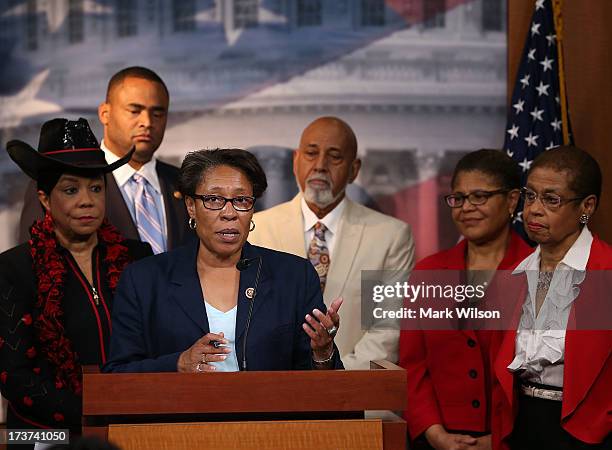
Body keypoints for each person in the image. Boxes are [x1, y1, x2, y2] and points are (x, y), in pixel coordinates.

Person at [104, 149, 343, 373]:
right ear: (191, 206)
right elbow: (118, 373)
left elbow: (320, 384)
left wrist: (322, 353)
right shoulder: (145, 280)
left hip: (269, 417)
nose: (229, 213)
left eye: (241, 200)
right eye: (214, 199)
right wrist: (178, 363)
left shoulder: (294, 277)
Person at [0, 118, 152, 442]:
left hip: (133, 428)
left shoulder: (138, 258)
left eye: (96, 188)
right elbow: (15, 377)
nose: (87, 200)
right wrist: (95, 409)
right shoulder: (14, 268)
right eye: (71, 190)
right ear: (44, 198)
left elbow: (157, 346)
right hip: (47, 437)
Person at [248, 116, 414, 369]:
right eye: (311, 153)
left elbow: (386, 333)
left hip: (355, 397)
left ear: (354, 169)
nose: (320, 165)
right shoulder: (256, 230)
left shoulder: (390, 236)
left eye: (334, 156)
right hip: (273, 397)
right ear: (295, 161)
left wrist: (333, 383)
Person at [399, 150, 533, 450]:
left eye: (479, 197)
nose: (466, 208)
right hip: (435, 439)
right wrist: (434, 433)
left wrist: (500, 439)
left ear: (512, 200)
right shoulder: (428, 272)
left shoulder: (539, 271)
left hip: (517, 439)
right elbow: (412, 364)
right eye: (458, 198)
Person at [491, 146, 612, 450]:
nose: (533, 209)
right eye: (530, 195)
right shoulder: (514, 273)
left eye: (551, 199)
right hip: (521, 427)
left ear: (587, 206)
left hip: (589, 433)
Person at [18, 66, 190, 252]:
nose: (147, 122)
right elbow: (34, 263)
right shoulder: (55, 182)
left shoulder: (186, 184)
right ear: (104, 114)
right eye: (134, 111)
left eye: (157, 114)